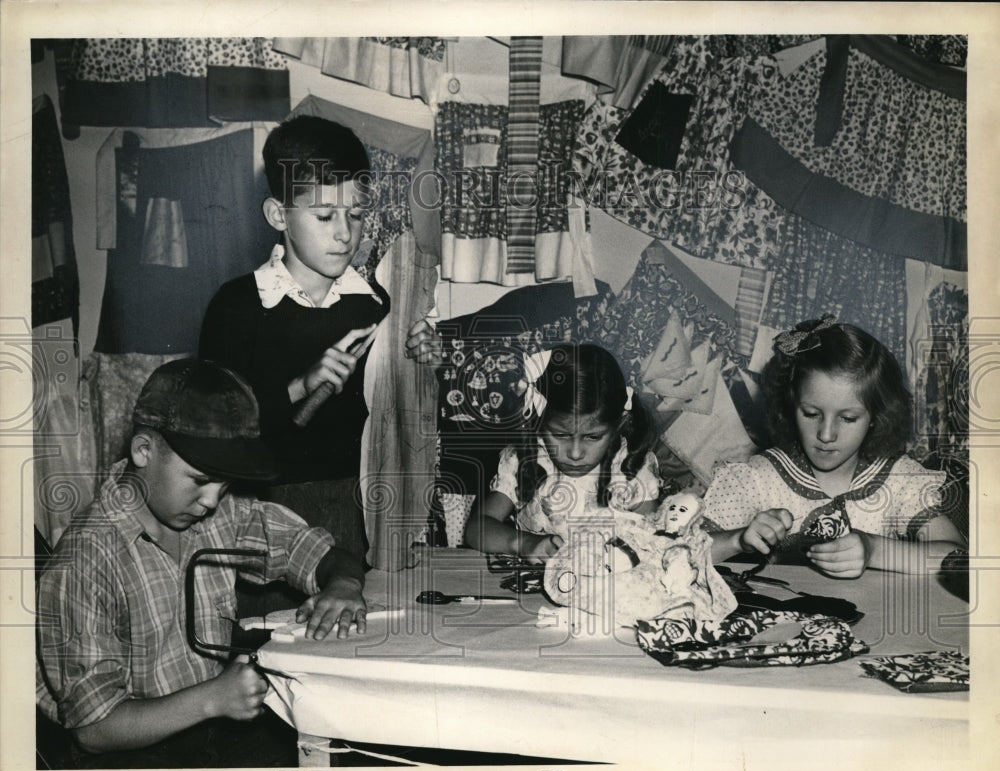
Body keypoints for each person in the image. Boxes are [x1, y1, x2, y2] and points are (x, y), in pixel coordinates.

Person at [36, 359, 368, 768]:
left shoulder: (219, 514)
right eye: (199, 480)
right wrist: (213, 698)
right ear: (144, 450)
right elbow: (92, 730)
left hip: (213, 728)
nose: (212, 500)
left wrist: (343, 586)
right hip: (128, 757)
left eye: (224, 483)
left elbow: (321, 553)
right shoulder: (84, 561)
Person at [199, 115, 437, 564]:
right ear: (277, 215)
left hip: (361, 506)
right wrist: (299, 387)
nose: (345, 233)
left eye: (356, 214)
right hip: (264, 514)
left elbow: (400, 424)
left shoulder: (374, 307)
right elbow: (215, 429)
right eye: (325, 216)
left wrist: (421, 362)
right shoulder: (237, 307)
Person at [704, 315, 966, 577]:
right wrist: (737, 540)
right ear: (790, 405)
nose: (826, 434)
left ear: (876, 416)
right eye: (810, 413)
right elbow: (675, 553)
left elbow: (958, 557)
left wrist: (874, 550)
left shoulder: (898, 480)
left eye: (848, 418)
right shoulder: (757, 478)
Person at [464, 343, 661, 562]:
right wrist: (524, 543)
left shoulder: (632, 468)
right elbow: (476, 529)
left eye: (593, 437)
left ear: (620, 423)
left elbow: (652, 545)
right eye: (561, 435)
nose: (575, 453)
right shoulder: (526, 459)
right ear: (539, 422)